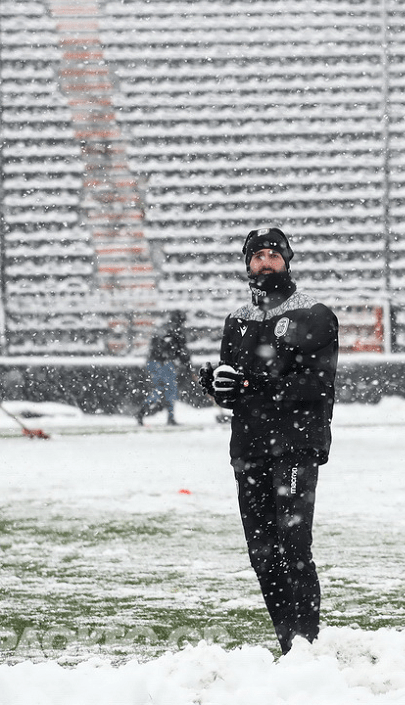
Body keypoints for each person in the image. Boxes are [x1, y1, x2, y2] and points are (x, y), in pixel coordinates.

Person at [200, 227, 339, 654]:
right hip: (249, 447)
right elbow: (236, 387)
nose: (265, 262)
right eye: (256, 255)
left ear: (288, 260)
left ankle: (307, 643)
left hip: (296, 444)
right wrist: (217, 385)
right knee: (262, 552)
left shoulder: (315, 315)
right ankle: (289, 645)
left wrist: (251, 381)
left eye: (272, 255)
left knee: (294, 544)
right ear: (246, 264)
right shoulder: (237, 320)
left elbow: (316, 384)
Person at [137, 310, 190, 426]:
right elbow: (178, 349)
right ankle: (168, 417)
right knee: (169, 389)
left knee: (161, 389)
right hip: (163, 363)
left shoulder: (164, 329)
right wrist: (185, 362)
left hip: (155, 362)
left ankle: (143, 412)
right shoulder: (174, 331)